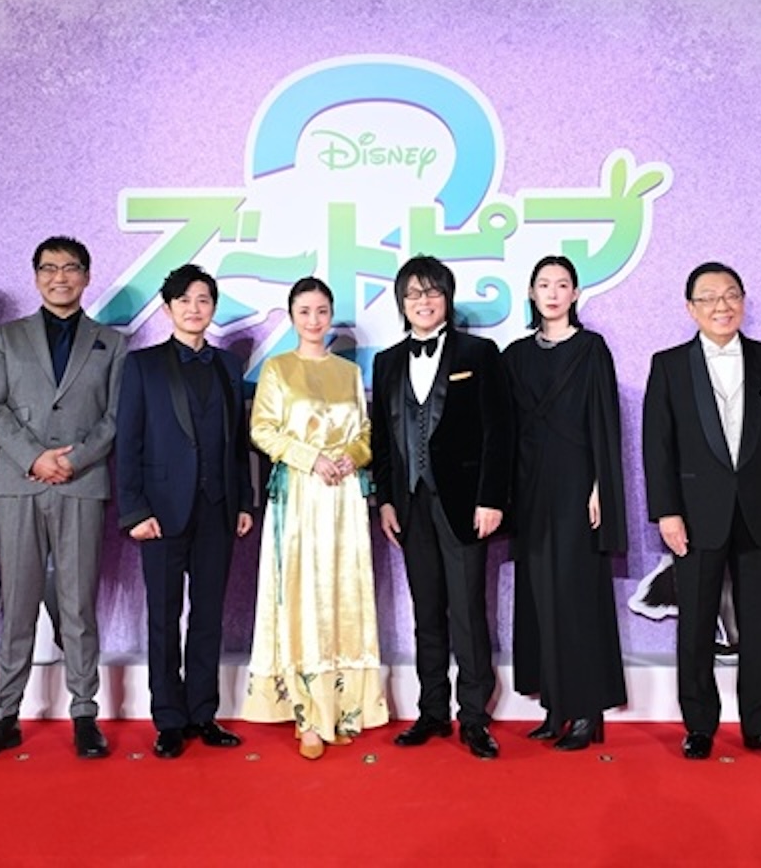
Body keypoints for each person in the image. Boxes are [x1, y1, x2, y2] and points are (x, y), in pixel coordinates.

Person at [0, 236, 128, 761]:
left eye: (71, 268)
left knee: (77, 604)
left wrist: (75, 459)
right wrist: (34, 457)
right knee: (18, 604)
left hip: (81, 481)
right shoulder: (8, 337)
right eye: (50, 268)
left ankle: (84, 713)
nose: (61, 277)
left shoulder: (111, 342)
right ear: (36, 277)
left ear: (87, 276)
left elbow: (115, 417)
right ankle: (4, 716)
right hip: (20, 481)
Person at [641, 261, 761, 763]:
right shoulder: (669, 365)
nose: (722, 305)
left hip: (760, 511)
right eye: (709, 297)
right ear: (690, 308)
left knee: (758, 624)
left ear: (743, 301)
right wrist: (667, 512)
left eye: (731, 295)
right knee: (695, 623)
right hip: (695, 515)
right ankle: (699, 725)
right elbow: (658, 446)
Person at [371, 255, 512, 760]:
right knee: (426, 611)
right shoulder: (386, 361)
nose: (423, 301)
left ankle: (474, 716)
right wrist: (386, 500)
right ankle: (432, 710)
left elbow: (499, 431)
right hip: (410, 506)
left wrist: (491, 498)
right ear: (401, 303)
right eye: (413, 294)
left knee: (468, 612)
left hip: (464, 505)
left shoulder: (480, 352)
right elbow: (383, 440)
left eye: (432, 292)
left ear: (447, 299)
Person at [243, 276, 390, 760]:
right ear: (291, 317)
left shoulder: (348, 372)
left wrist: (352, 456)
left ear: (331, 316)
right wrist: (311, 459)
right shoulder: (278, 368)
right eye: (304, 311)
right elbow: (262, 430)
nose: (314, 320)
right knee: (303, 594)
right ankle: (307, 715)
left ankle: (342, 709)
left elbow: (366, 431)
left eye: (322, 311)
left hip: (345, 496)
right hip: (301, 492)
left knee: (343, 594)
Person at [116, 264, 254, 759]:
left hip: (218, 509)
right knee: (164, 617)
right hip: (160, 513)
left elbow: (237, 442)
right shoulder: (142, 365)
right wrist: (134, 511)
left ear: (213, 307)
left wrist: (243, 500)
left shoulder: (228, 366)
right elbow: (127, 442)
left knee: (209, 617)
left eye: (203, 300)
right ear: (168, 307)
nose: (194, 309)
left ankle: (203, 713)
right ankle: (169, 719)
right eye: (184, 300)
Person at [504, 256, 627, 751]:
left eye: (562, 285)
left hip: (578, 483)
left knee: (576, 595)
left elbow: (605, 421)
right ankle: (555, 706)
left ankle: (585, 710)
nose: (552, 293)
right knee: (539, 595)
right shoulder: (515, 355)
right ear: (531, 293)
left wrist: (600, 485)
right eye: (544, 284)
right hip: (531, 487)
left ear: (575, 294)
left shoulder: (592, 349)